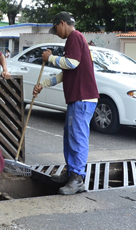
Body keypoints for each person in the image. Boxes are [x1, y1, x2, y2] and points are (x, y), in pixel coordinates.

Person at [33, 12, 98, 195]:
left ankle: (77, 177)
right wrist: (44, 84)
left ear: (62, 23)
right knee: (70, 137)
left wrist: (50, 58)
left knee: (78, 137)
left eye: (56, 29)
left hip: (83, 97)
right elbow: (66, 72)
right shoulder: (73, 40)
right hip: (76, 97)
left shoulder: (75, 37)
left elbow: (72, 63)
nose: (57, 33)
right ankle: (71, 173)